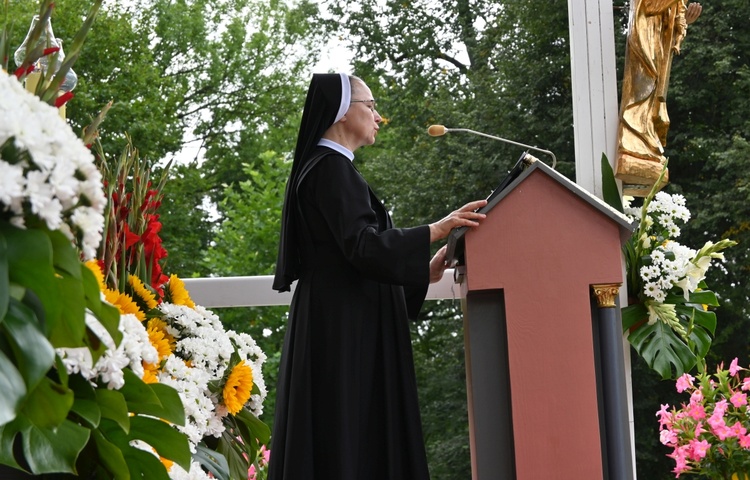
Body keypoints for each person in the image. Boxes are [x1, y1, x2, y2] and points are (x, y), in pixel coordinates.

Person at [269, 73, 487, 479]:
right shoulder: (331, 170)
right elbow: (362, 246)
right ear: (341, 111)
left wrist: (423, 271)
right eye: (370, 106)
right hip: (343, 331)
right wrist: (434, 230)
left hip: (343, 322)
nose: (378, 116)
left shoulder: (330, 169)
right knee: (348, 437)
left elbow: (353, 259)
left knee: (349, 437)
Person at [616, 0, 702, 191]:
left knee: (653, 94)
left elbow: (674, 21)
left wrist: (684, 22)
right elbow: (650, 6)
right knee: (641, 87)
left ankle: (646, 145)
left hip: (658, 39)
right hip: (644, 34)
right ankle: (634, 144)